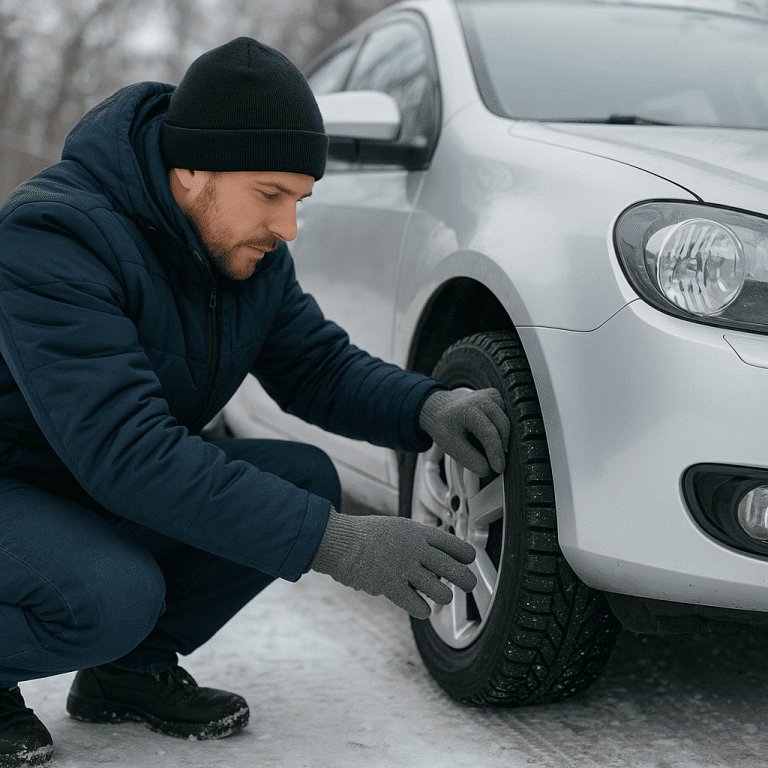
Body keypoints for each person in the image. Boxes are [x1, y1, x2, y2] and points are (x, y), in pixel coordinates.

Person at [0, 37, 510, 767]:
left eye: (299, 200)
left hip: (76, 483)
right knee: (111, 596)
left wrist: (428, 408)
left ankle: (126, 675)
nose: (287, 227)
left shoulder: (240, 253)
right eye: (270, 195)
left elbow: (317, 367)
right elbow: (128, 452)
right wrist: (337, 543)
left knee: (304, 478)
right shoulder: (54, 235)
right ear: (192, 170)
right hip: (18, 483)